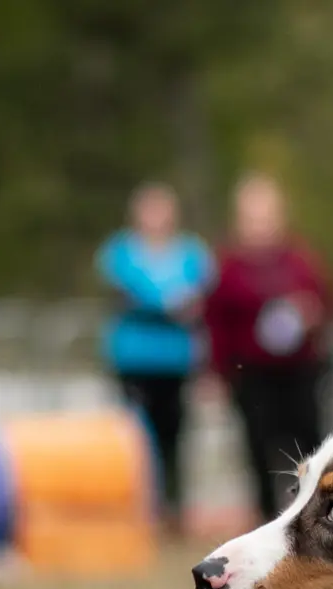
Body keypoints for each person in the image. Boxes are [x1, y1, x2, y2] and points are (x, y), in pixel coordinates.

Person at [205, 174, 333, 523]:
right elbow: (215, 322)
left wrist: (310, 315)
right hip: (250, 373)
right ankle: (267, 518)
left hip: (299, 372)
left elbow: (326, 303)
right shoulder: (227, 266)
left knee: (310, 446)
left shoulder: (301, 260)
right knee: (258, 450)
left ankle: (316, 516)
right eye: (252, 217)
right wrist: (216, 373)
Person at [96, 182, 213, 529]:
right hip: (134, 360)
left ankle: (173, 510)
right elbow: (127, 292)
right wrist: (168, 305)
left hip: (176, 360)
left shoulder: (191, 251)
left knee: (174, 437)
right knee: (136, 437)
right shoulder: (121, 251)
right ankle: (140, 507)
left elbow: (202, 296)